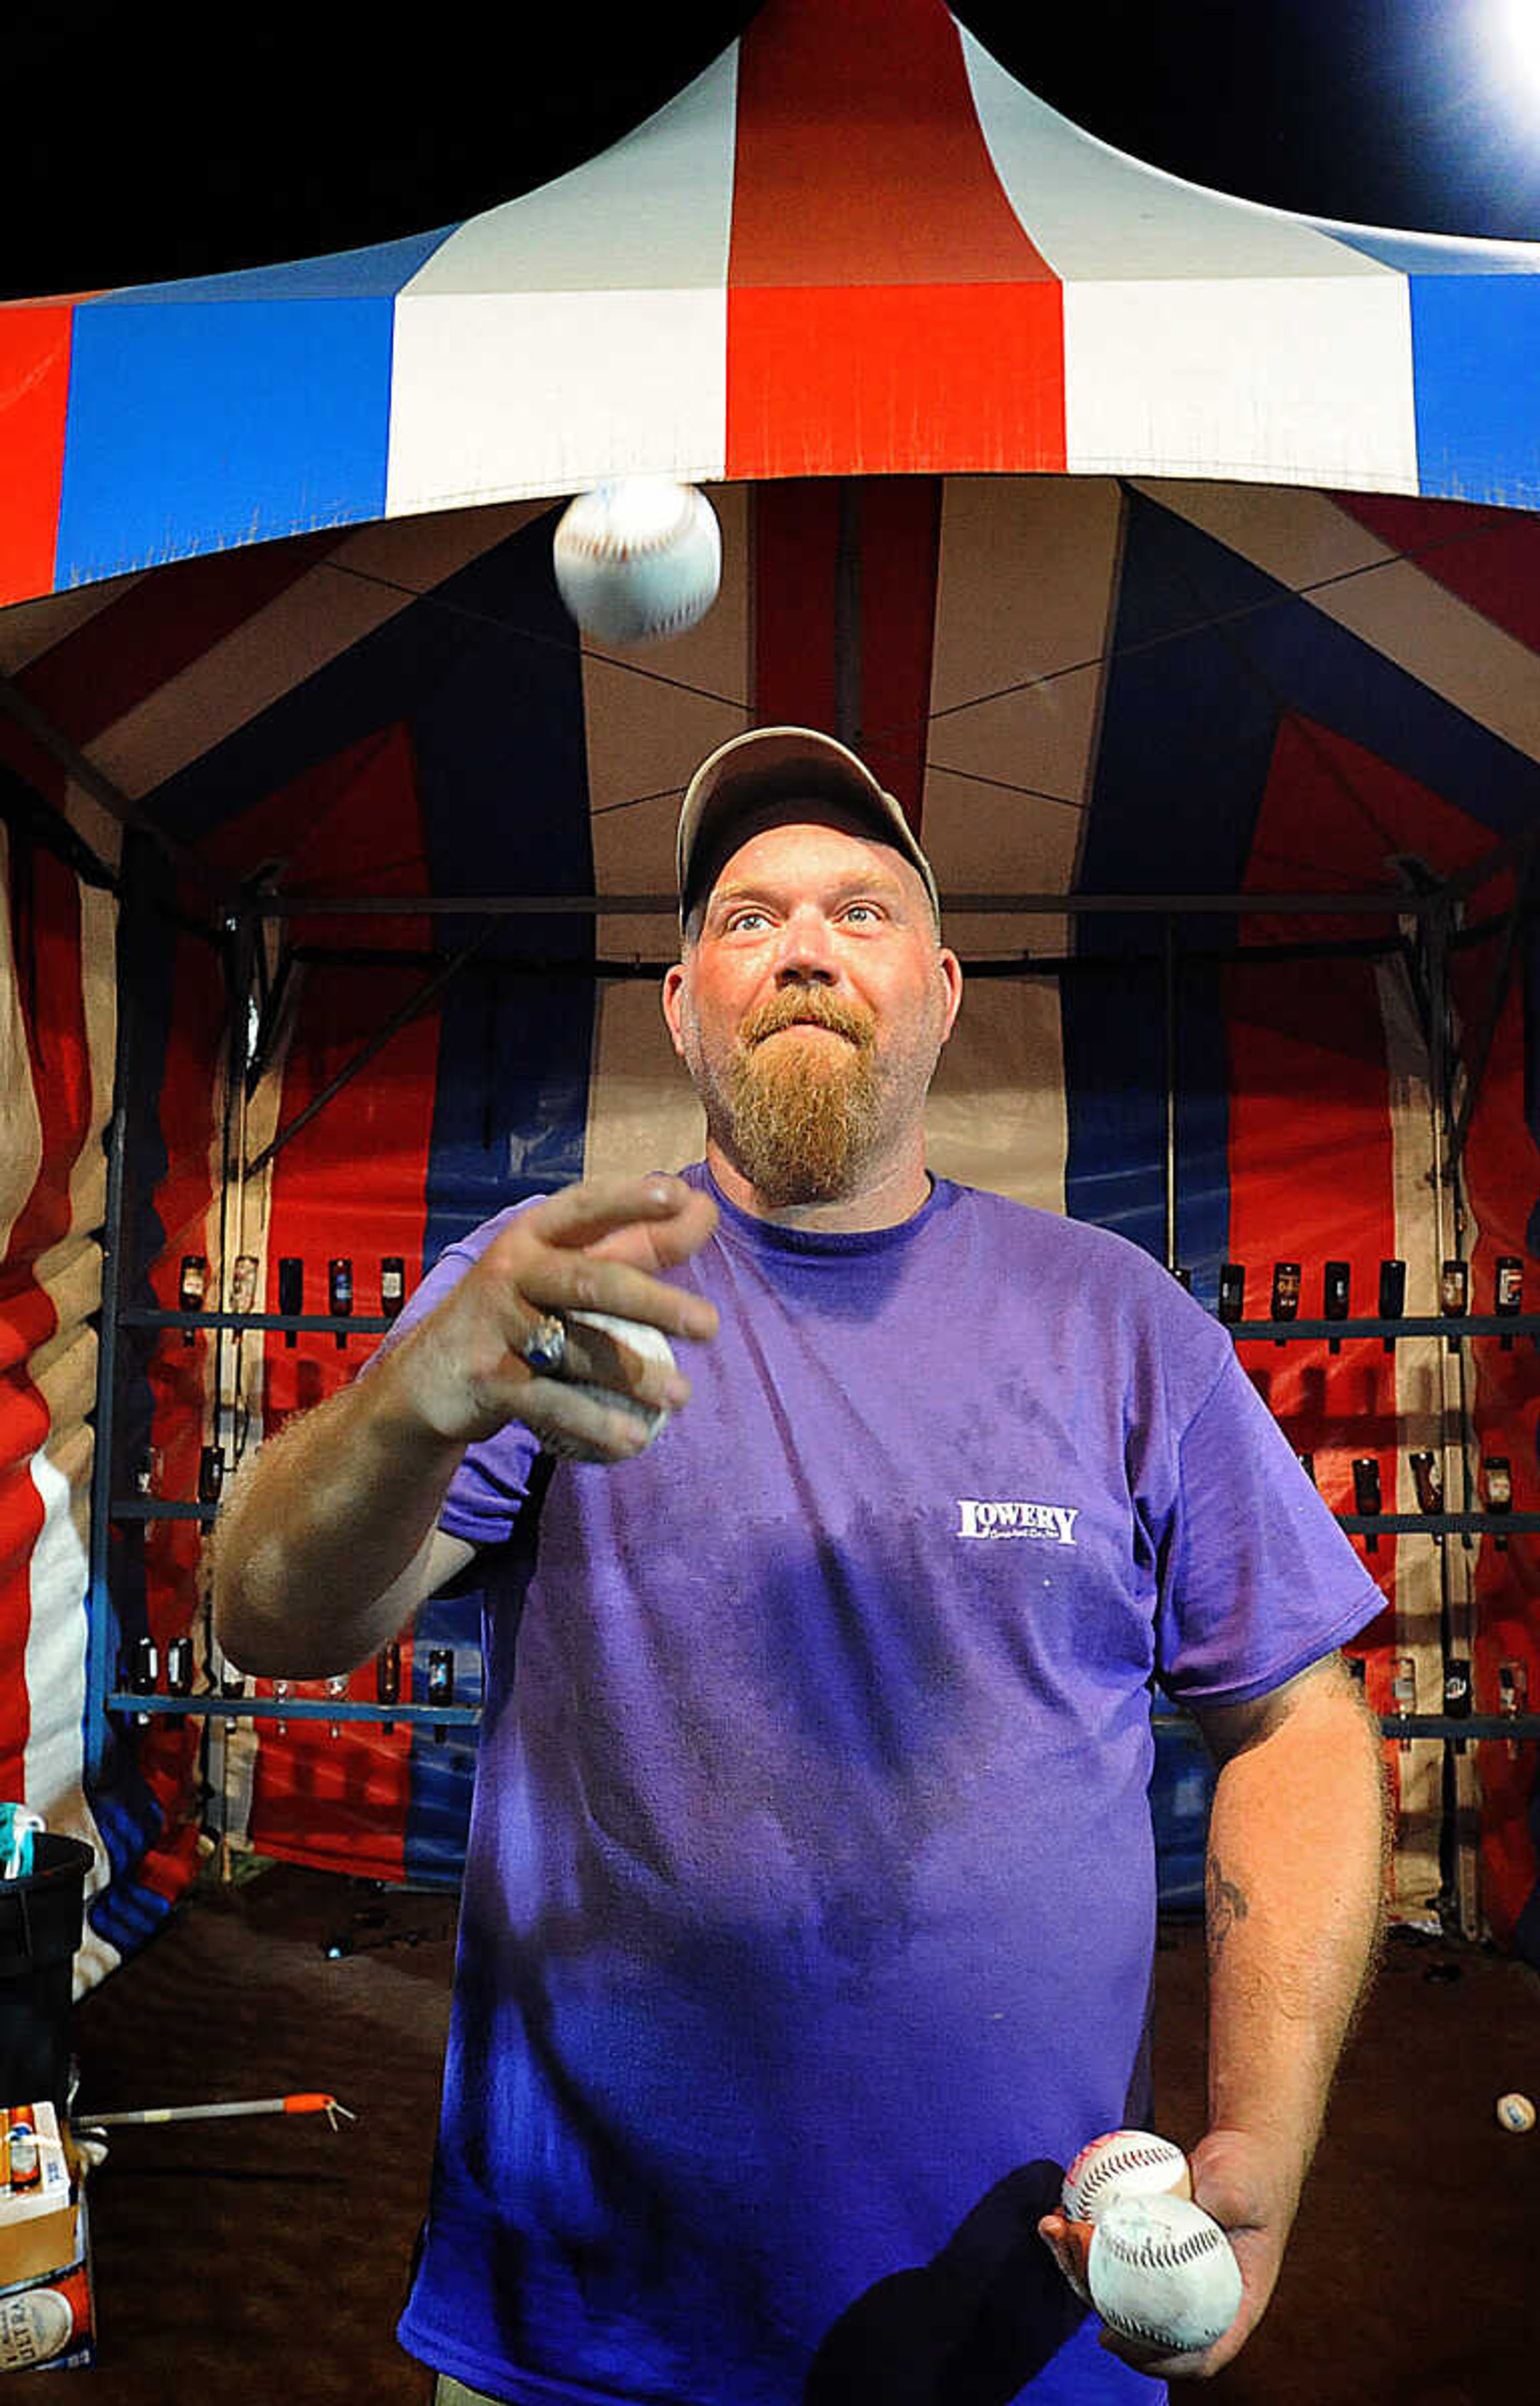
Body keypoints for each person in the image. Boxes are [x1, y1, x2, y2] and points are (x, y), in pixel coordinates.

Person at [210, 724, 1389, 2406]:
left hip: (1019, 2322)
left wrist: (1262, 2132)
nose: (808, 946)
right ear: (686, 1005)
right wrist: (407, 1405)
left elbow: (1302, 1724)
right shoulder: (548, 1292)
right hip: (589, 2323)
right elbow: (266, 1623)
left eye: (860, 909)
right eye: (749, 918)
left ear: (945, 988)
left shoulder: (1119, 1324)